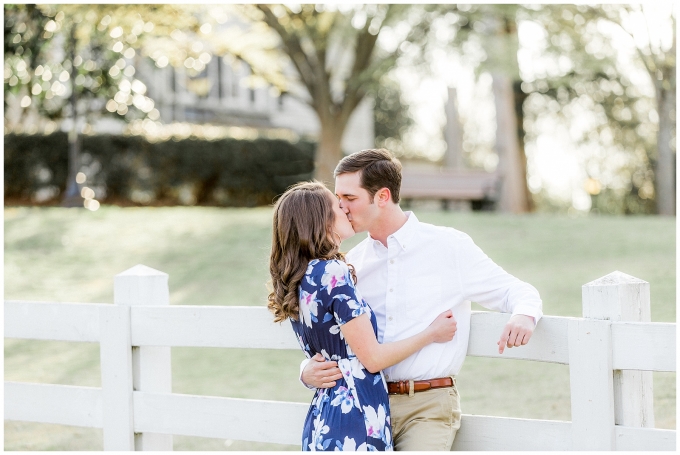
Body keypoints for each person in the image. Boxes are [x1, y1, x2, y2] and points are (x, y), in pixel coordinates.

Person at [300, 149, 543, 451]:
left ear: (383, 196)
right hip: (367, 404)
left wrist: (524, 314)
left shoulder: (448, 247)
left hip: (428, 405)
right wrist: (306, 370)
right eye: (339, 198)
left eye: (350, 198)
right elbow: (336, 335)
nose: (340, 207)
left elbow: (514, 290)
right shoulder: (351, 264)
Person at [268, 181, 458, 451]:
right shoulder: (333, 272)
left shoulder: (300, 277)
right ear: (320, 220)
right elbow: (373, 358)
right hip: (356, 412)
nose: (345, 209)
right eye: (337, 205)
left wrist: (305, 371)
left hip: (325, 411)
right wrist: (432, 333)